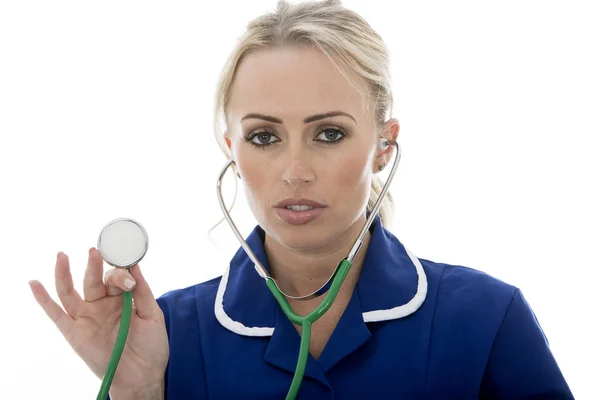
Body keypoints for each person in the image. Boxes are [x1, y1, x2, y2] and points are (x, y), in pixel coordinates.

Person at [29, 0, 574, 398]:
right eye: (264, 137)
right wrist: (139, 392)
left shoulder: (485, 319)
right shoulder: (167, 334)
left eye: (329, 133)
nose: (294, 172)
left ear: (385, 146)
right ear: (231, 148)